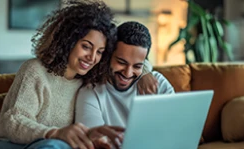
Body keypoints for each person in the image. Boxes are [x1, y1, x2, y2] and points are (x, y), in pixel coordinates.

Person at [0, 1, 118, 149]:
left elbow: (129, 61)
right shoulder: (35, 70)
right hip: (4, 143)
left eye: (100, 52)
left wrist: (145, 74)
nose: (92, 57)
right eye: (86, 47)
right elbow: (14, 121)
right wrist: (54, 133)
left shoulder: (88, 83)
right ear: (68, 41)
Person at [75, 21, 175, 149]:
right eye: (121, 62)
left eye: (137, 66)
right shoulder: (91, 92)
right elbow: (95, 143)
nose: (128, 73)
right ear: (109, 55)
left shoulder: (158, 83)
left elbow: (175, 131)